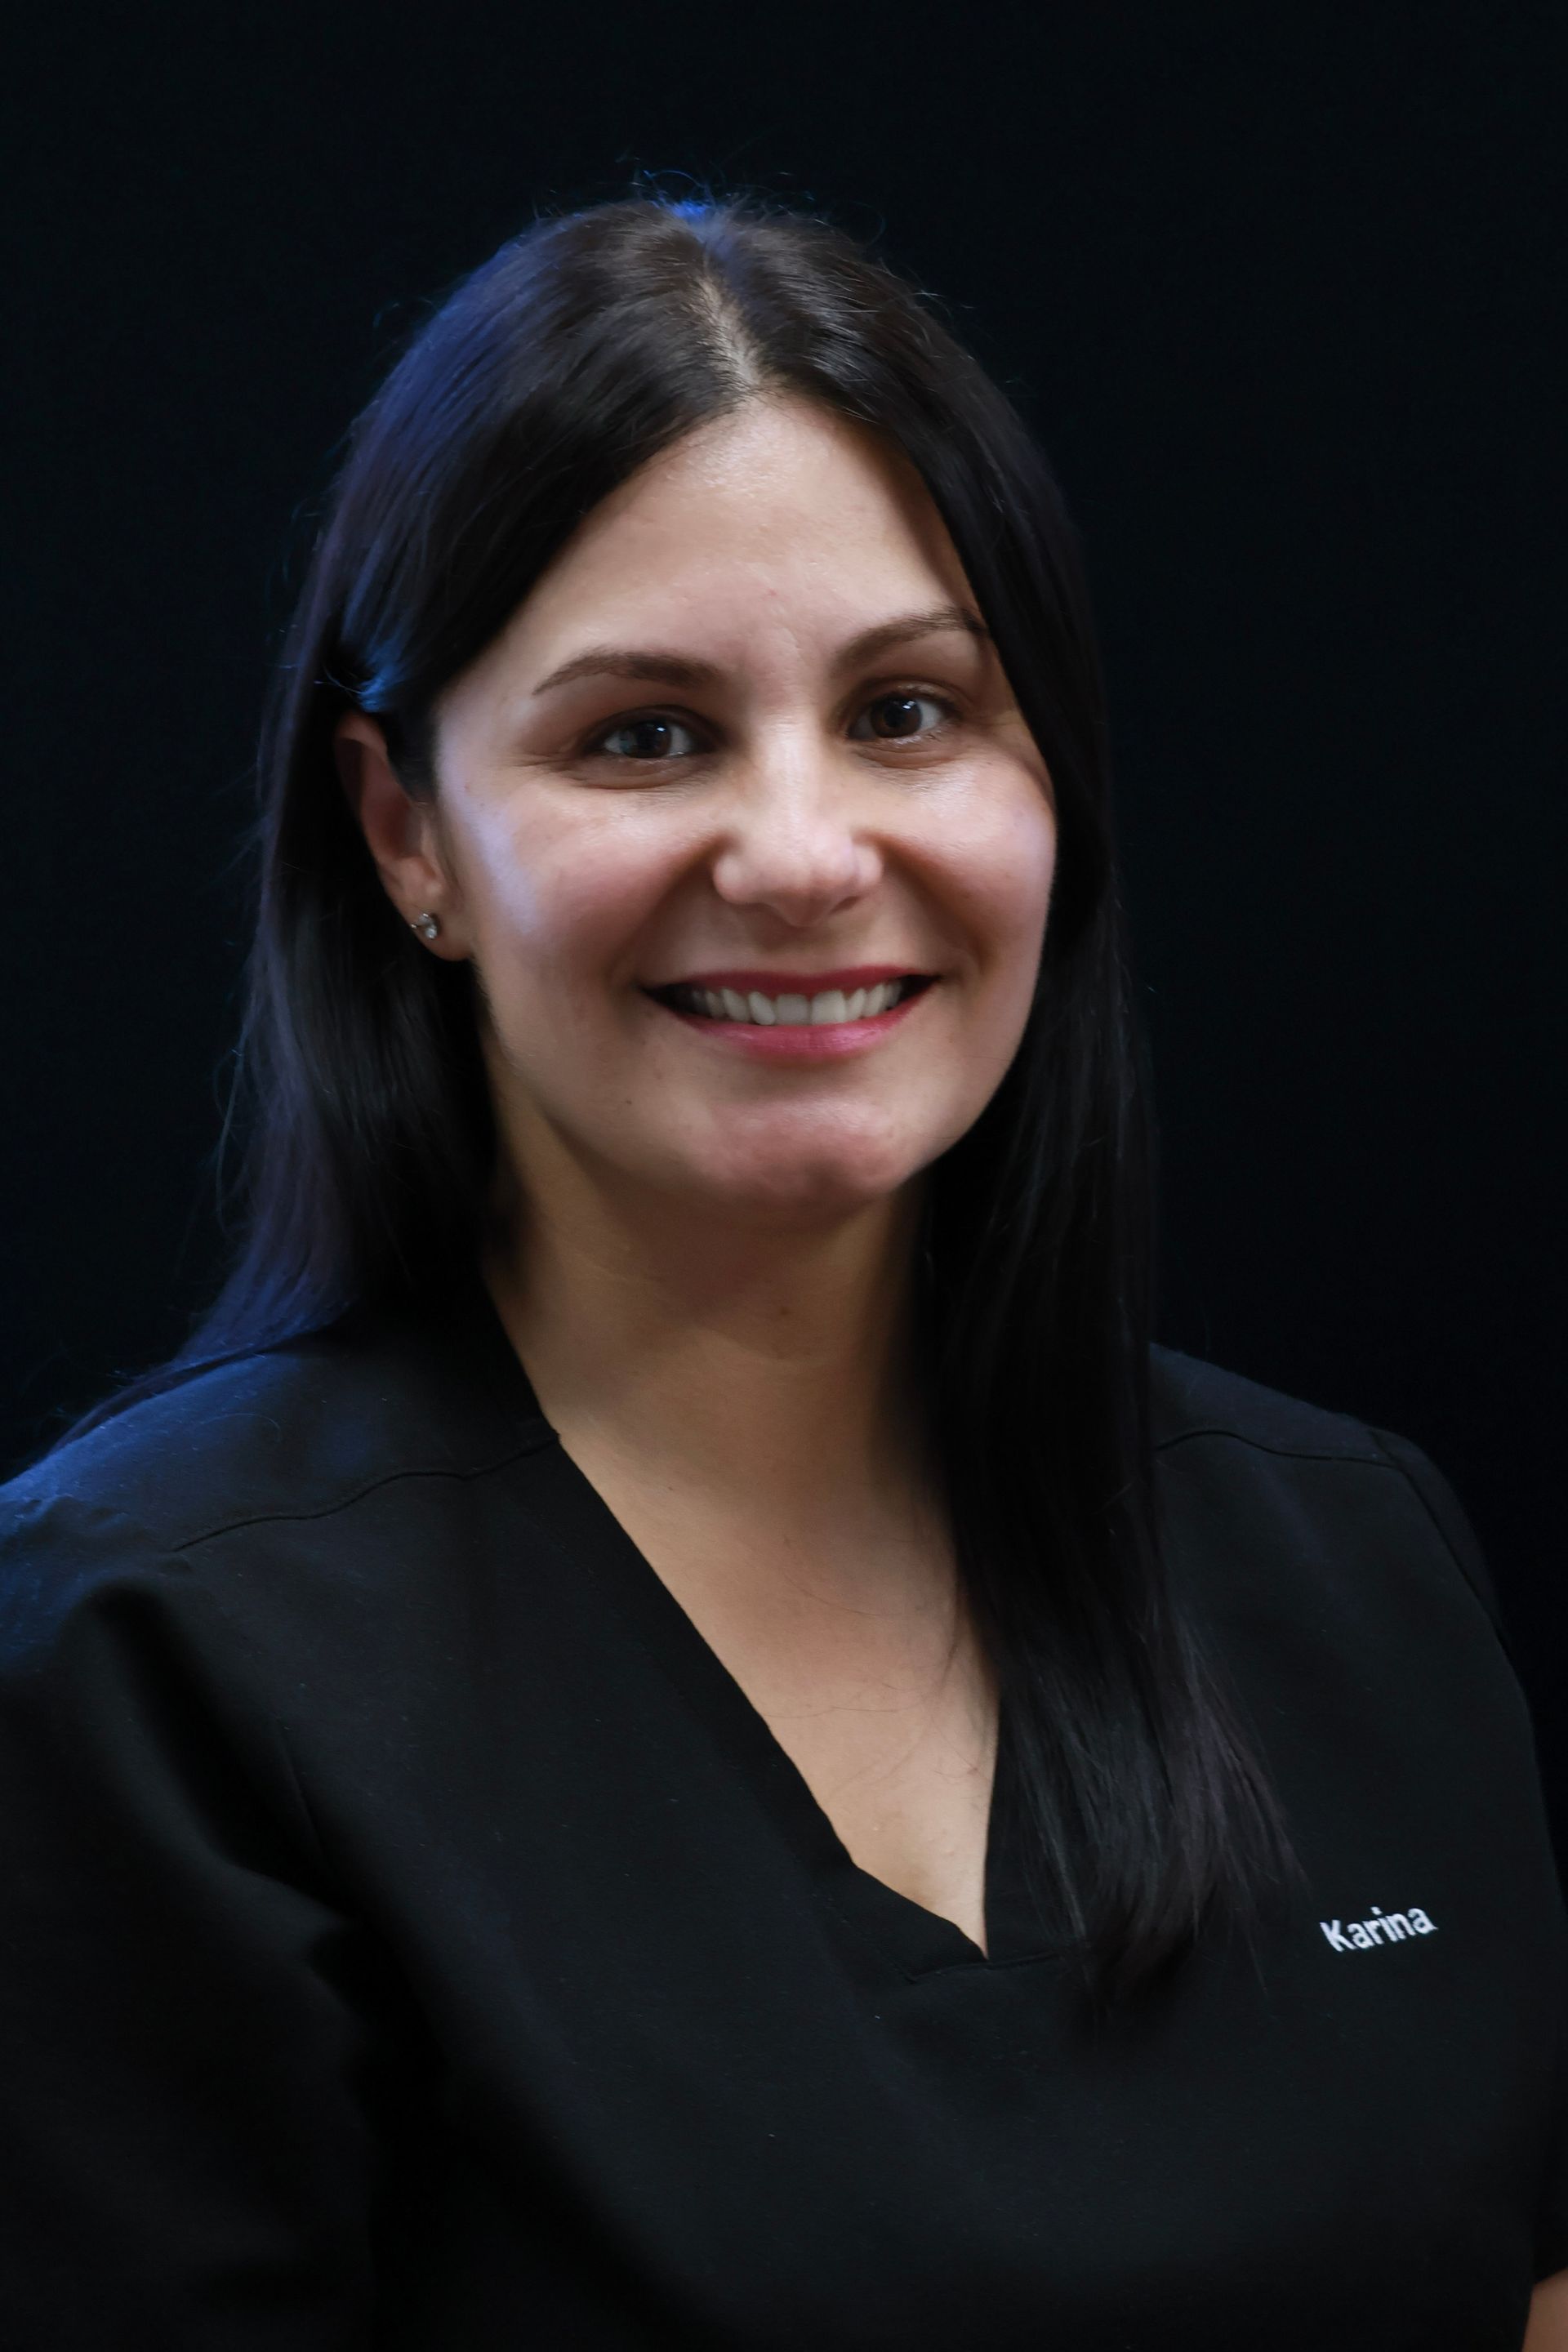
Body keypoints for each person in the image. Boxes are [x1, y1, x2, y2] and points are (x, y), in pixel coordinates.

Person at [2, 194, 1564, 2351]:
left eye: (912, 710)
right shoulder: (150, 1660)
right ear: (405, 838)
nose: (813, 854)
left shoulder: (1359, 1567)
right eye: (643, 735)